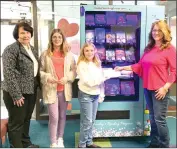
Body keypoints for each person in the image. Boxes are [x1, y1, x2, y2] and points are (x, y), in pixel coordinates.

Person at [114, 20, 176, 148]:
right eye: (154, 30)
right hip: (148, 88)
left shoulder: (169, 49)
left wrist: (165, 88)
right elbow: (140, 66)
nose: (156, 33)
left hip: (160, 90)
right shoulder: (149, 48)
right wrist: (123, 68)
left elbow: (175, 70)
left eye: (159, 30)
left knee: (160, 120)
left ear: (164, 32)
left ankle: (164, 145)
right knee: (152, 118)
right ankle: (154, 143)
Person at [2, 22, 40, 148]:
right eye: (22, 32)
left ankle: (25, 143)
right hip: (16, 92)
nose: (26, 35)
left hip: (31, 90)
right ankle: (16, 146)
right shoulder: (11, 49)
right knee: (16, 122)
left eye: (28, 32)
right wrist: (17, 95)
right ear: (17, 34)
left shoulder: (32, 49)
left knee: (26, 119)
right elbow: (8, 73)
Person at [40, 28, 76, 148]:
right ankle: (53, 142)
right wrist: (47, 76)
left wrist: (68, 77)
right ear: (51, 39)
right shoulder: (45, 54)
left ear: (63, 39)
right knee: (54, 117)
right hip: (51, 89)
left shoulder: (68, 54)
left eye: (59, 37)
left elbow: (74, 70)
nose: (57, 39)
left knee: (62, 116)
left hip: (64, 90)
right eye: (54, 37)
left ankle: (60, 138)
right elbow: (40, 71)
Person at [77, 43, 110, 148]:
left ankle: (89, 142)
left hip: (95, 95)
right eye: (87, 50)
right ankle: (81, 145)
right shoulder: (81, 64)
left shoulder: (97, 63)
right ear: (83, 52)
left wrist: (101, 94)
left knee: (92, 121)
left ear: (95, 51)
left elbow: (101, 82)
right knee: (87, 122)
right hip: (85, 94)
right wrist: (104, 77)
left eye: (91, 50)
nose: (89, 52)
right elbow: (89, 82)